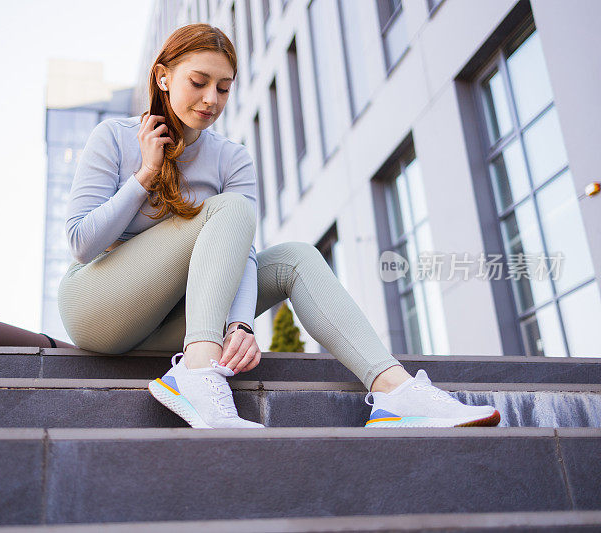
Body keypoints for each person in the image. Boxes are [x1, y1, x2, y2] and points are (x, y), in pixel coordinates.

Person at [58, 23, 500, 430]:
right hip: (99, 309)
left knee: (295, 257)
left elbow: (241, 253)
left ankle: (395, 392)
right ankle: (195, 373)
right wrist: (144, 178)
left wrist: (241, 326)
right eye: (198, 82)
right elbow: (82, 242)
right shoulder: (114, 137)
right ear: (163, 77)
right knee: (229, 209)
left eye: (224, 88)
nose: (211, 98)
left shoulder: (232, 158)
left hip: (176, 325)